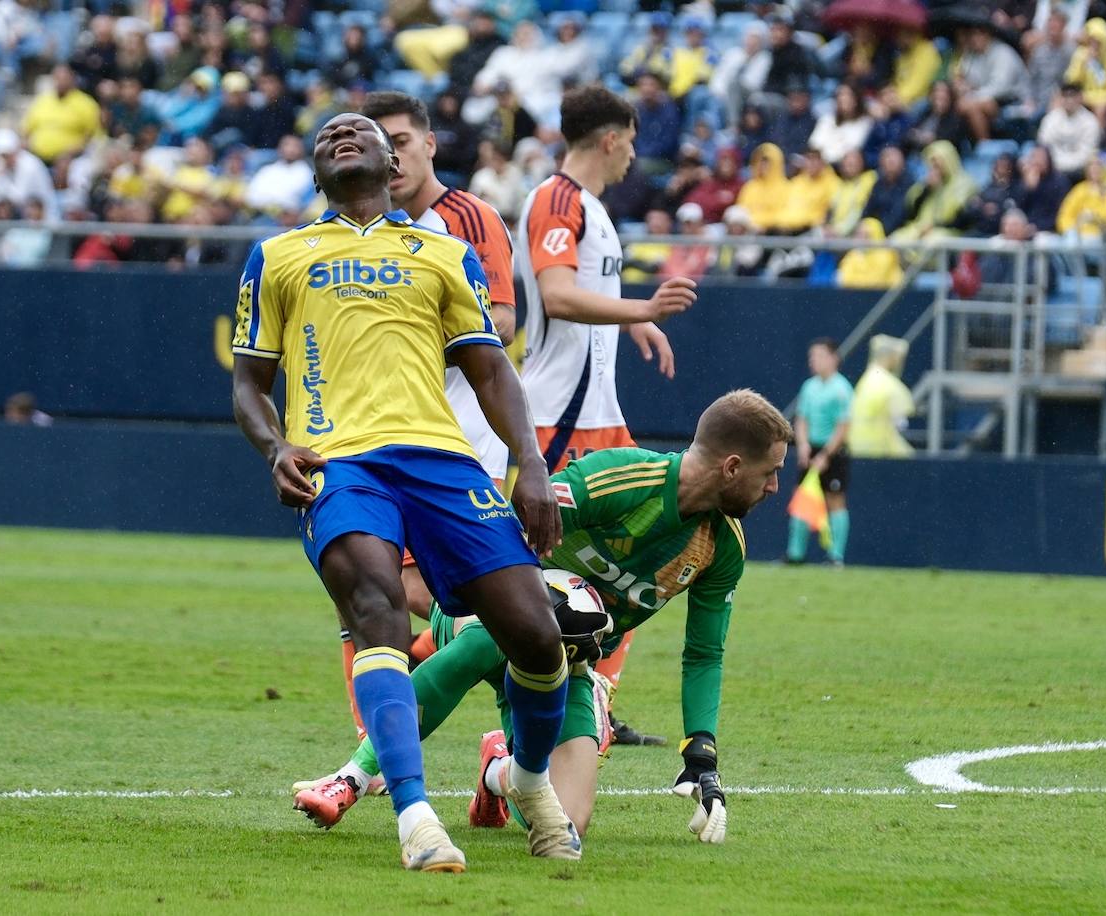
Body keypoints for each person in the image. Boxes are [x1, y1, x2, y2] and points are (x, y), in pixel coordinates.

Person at [231, 111, 580, 872]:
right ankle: (417, 818)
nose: (340, 135)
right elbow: (250, 382)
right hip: (339, 464)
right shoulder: (279, 255)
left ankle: (525, 780)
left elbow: (492, 370)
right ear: (317, 172)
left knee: (537, 634)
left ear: (396, 163)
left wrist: (532, 466)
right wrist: (274, 447)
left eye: (358, 130)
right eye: (325, 136)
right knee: (378, 611)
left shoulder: (445, 254)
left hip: (443, 464)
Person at [291, 390, 791, 846]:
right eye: (769, 471)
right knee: (484, 642)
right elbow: (505, 534)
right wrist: (548, 597)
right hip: (484, 607)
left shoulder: (723, 547)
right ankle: (352, 777)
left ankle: (498, 770)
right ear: (730, 467)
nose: (773, 486)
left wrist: (700, 757)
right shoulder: (620, 479)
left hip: (568, 664)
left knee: (569, 823)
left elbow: (704, 652)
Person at [516, 85, 695, 747]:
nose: (632, 159)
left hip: (599, 416)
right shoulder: (558, 199)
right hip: (558, 420)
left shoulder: (591, 207)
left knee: (642, 559)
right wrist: (642, 310)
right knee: (525, 574)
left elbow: (586, 299)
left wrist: (630, 328)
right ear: (613, 137)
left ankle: (595, 698)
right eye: (631, 143)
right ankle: (428, 663)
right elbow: (560, 295)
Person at [787, 340, 852, 564]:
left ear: (834, 358)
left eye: (820, 356)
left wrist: (825, 455)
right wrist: (803, 445)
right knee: (802, 497)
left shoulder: (841, 389)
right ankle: (795, 555)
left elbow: (842, 427)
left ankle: (836, 556)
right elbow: (802, 419)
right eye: (812, 356)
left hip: (833, 451)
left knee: (835, 500)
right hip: (811, 448)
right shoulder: (809, 387)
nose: (814, 361)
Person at [952, 25, 1030, 141]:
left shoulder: (1003, 52)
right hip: (988, 99)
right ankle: (984, 146)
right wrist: (962, 85)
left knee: (970, 105)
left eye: (978, 34)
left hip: (1015, 101)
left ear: (987, 35)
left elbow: (1000, 87)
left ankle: (984, 145)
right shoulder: (971, 55)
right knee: (971, 108)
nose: (974, 38)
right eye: (971, 35)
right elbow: (968, 80)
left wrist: (973, 96)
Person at [848, 335, 915, 458]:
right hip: (878, 448)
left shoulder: (866, 379)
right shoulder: (889, 384)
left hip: (858, 446)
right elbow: (901, 421)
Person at [21, 65, 102, 165]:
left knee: (65, 167)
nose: (60, 82)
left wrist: (74, 151)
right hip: (37, 156)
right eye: (57, 78)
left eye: (64, 79)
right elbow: (26, 130)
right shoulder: (42, 101)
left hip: (73, 158)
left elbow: (93, 136)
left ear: (72, 79)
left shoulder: (86, 103)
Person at [1063, 18, 1106, 120]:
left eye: (1097, 41)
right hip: (1082, 95)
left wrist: (1095, 97)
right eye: (1091, 40)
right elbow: (1071, 80)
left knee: (1100, 107)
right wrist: (1083, 64)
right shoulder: (1081, 53)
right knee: (1059, 99)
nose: (1094, 45)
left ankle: (1098, 135)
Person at [1038, 83, 1102, 180]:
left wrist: (1063, 166)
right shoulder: (1050, 119)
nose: (1069, 100)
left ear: (1080, 97)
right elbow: (1044, 146)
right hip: (1054, 169)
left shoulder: (1090, 121)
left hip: (1080, 172)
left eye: (1072, 96)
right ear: (1060, 98)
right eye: (1065, 96)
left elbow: (1087, 154)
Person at [244, 135, 314, 218]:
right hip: (260, 215)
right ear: (279, 148)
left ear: (302, 150)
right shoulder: (267, 169)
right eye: (286, 145)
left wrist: (268, 200)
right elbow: (251, 195)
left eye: (295, 146)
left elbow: (292, 199)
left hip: (289, 220)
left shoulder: (306, 172)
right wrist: (271, 204)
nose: (290, 149)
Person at [808, 82, 872, 168]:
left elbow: (852, 149)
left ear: (856, 99)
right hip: (823, 169)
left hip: (846, 169)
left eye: (848, 95)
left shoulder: (865, 123)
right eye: (840, 95)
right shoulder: (826, 120)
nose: (843, 99)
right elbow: (814, 146)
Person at [861, 145, 911, 235]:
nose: (890, 162)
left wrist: (877, 231)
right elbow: (868, 211)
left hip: (896, 233)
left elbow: (898, 215)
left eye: (894, 160)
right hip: (872, 232)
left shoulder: (909, 184)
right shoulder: (878, 184)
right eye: (887, 158)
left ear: (903, 162)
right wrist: (864, 225)